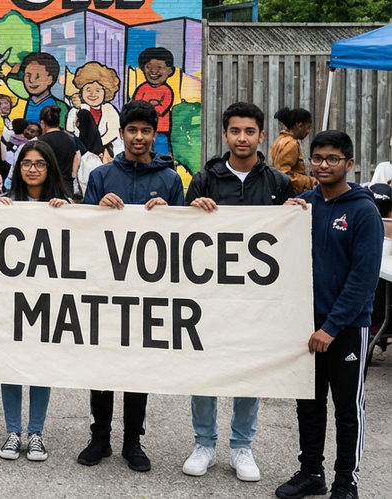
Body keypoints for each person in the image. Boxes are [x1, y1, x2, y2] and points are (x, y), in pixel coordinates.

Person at [182, 102, 304, 483]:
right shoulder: (204, 178)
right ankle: (204, 443)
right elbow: (181, 235)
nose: (242, 138)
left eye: (249, 131)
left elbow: (288, 241)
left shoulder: (278, 183)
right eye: (235, 131)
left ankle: (241, 446)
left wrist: (294, 214)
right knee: (204, 367)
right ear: (225, 134)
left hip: (256, 300)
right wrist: (192, 209)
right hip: (208, 295)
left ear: (261, 136)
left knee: (249, 368)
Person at [78, 99, 183, 473]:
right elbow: (82, 230)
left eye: (146, 131)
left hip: (148, 291)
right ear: (121, 133)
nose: (139, 137)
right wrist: (98, 209)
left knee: (138, 366)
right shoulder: (101, 176)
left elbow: (184, 239)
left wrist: (170, 216)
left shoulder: (170, 180)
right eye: (132, 130)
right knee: (102, 364)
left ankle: (133, 441)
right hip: (105, 287)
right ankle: (100, 437)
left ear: (155, 135)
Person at [274, 131, 380, 499]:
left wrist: (331, 328)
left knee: (347, 409)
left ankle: (346, 482)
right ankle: (311, 472)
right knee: (309, 404)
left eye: (333, 159)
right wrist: (284, 215)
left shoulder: (364, 211)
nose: (323, 165)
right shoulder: (304, 205)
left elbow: (363, 279)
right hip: (306, 325)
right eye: (318, 158)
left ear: (349, 164)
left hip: (347, 328)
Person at [0, 140, 70, 462]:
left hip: (47, 299)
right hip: (12, 298)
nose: (33, 169)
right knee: (10, 365)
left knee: (40, 366)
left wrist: (68, 214)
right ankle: (13, 432)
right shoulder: (6, 203)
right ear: (18, 167)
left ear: (49, 167)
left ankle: (36, 433)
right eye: (26, 163)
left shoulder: (64, 205)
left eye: (39, 164)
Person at [65, 62, 122, 155]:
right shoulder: (75, 111)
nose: (92, 94)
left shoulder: (110, 110)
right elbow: (70, 132)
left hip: (105, 152)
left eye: (97, 90)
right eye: (88, 89)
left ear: (106, 92)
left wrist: (97, 146)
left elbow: (113, 132)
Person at [132, 47, 177, 156]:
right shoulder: (142, 89)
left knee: (162, 152)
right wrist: (152, 105)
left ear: (169, 70)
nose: (153, 71)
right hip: (142, 129)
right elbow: (137, 107)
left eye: (159, 67)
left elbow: (161, 109)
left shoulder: (166, 90)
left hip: (161, 129)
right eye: (148, 67)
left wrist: (147, 107)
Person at [272, 107, 317, 194]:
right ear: (299, 125)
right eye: (308, 128)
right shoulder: (291, 144)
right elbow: (284, 174)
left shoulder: (280, 139)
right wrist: (309, 181)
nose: (309, 132)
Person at [37, 105, 82, 191]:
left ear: (42, 123)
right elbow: (77, 158)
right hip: (67, 186)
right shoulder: (71, 139)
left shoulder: (41, 141)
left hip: (48, 187)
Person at [20, 51, 61, 124]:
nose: (31, 80)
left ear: (50, 79)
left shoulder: (58, 105)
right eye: (28, 75)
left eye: (38, 76)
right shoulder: (22, 104)